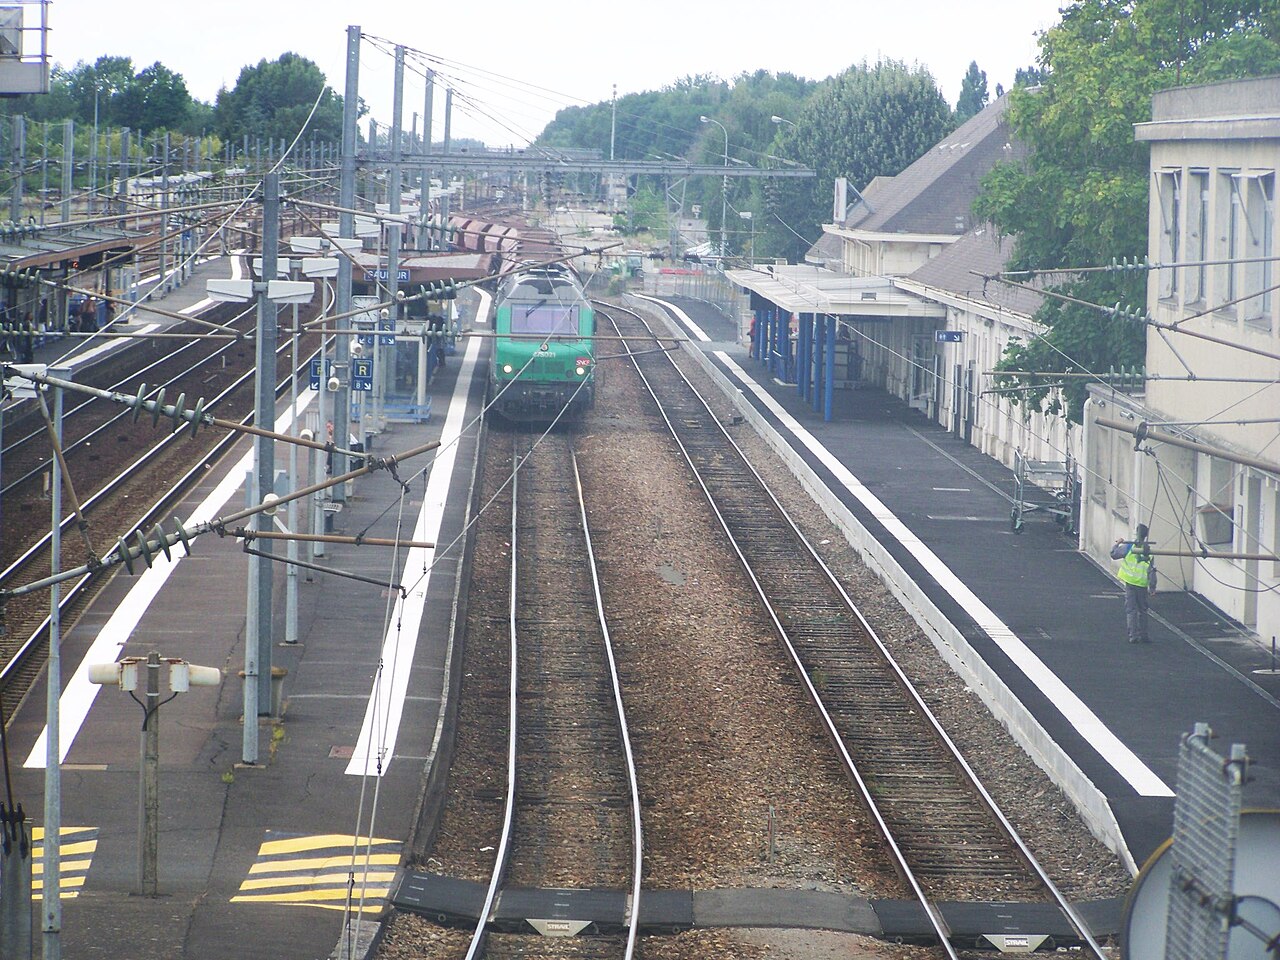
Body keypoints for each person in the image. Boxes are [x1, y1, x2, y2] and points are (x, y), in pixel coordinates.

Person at [1111, 523, 1157, 643]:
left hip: (1130, 582)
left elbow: (1114, 554)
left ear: (1137, 533)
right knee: (1143, 610)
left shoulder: (1129, 547)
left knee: (1131, 610)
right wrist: (1152, 587)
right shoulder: (1149, 551)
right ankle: (1144, 635)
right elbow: (1152, 571)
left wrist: (1117, 543)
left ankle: (1133, 636)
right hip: (1142, 584)